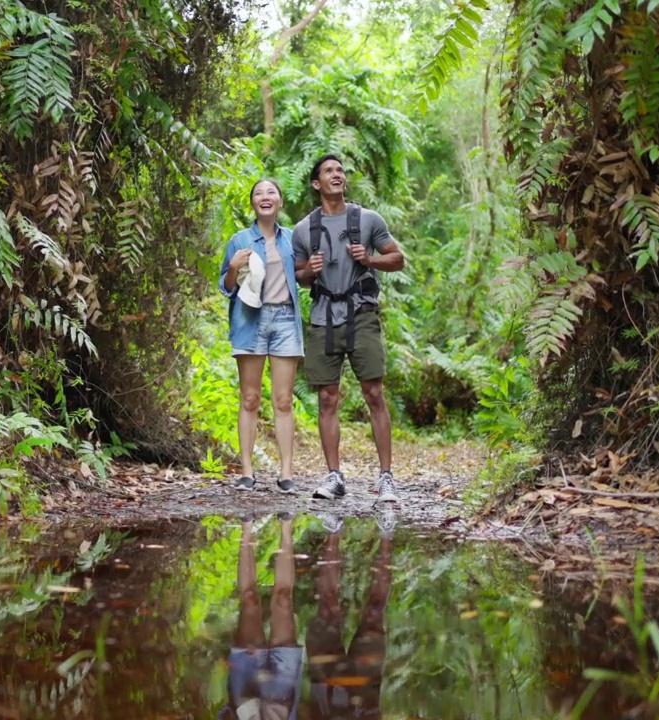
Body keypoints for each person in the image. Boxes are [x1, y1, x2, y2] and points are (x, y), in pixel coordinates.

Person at [293, 154, 406, 503]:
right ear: (317, 184)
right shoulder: (303, 230)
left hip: (362, 315)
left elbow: (397, 258)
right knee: (327, 398)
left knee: (374, 393)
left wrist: (369, 260)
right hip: (324, 318)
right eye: (329, 171)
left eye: (340, 170)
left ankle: (386, 478)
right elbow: (296, 274)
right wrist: (309, 271)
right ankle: (334, 476)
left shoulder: (368, 220)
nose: (337, 174)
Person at [218, 179, 304, 494]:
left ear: (280, 201)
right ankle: (247, 472)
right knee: (250, 398)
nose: (265, 197)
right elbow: (226, 287)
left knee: (283, 400)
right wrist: (233, 267)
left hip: (284, 321)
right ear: (253, 203)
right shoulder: (239, 241)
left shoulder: (294, 241)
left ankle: (286, 474)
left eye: (271, 193)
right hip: (249, 320)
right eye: (258, 193)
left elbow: (304, 277)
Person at [306, 506, 396, 720]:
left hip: (324, 688)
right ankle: (386, 536)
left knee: (328, 609)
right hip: (364, 699)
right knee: (375, 612)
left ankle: (333, 533)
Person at [219, 515, 302, 720]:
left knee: (249, 602)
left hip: (246, 700)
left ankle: (246, 526)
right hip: (281, 699)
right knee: (284, 601)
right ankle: (286, 524)